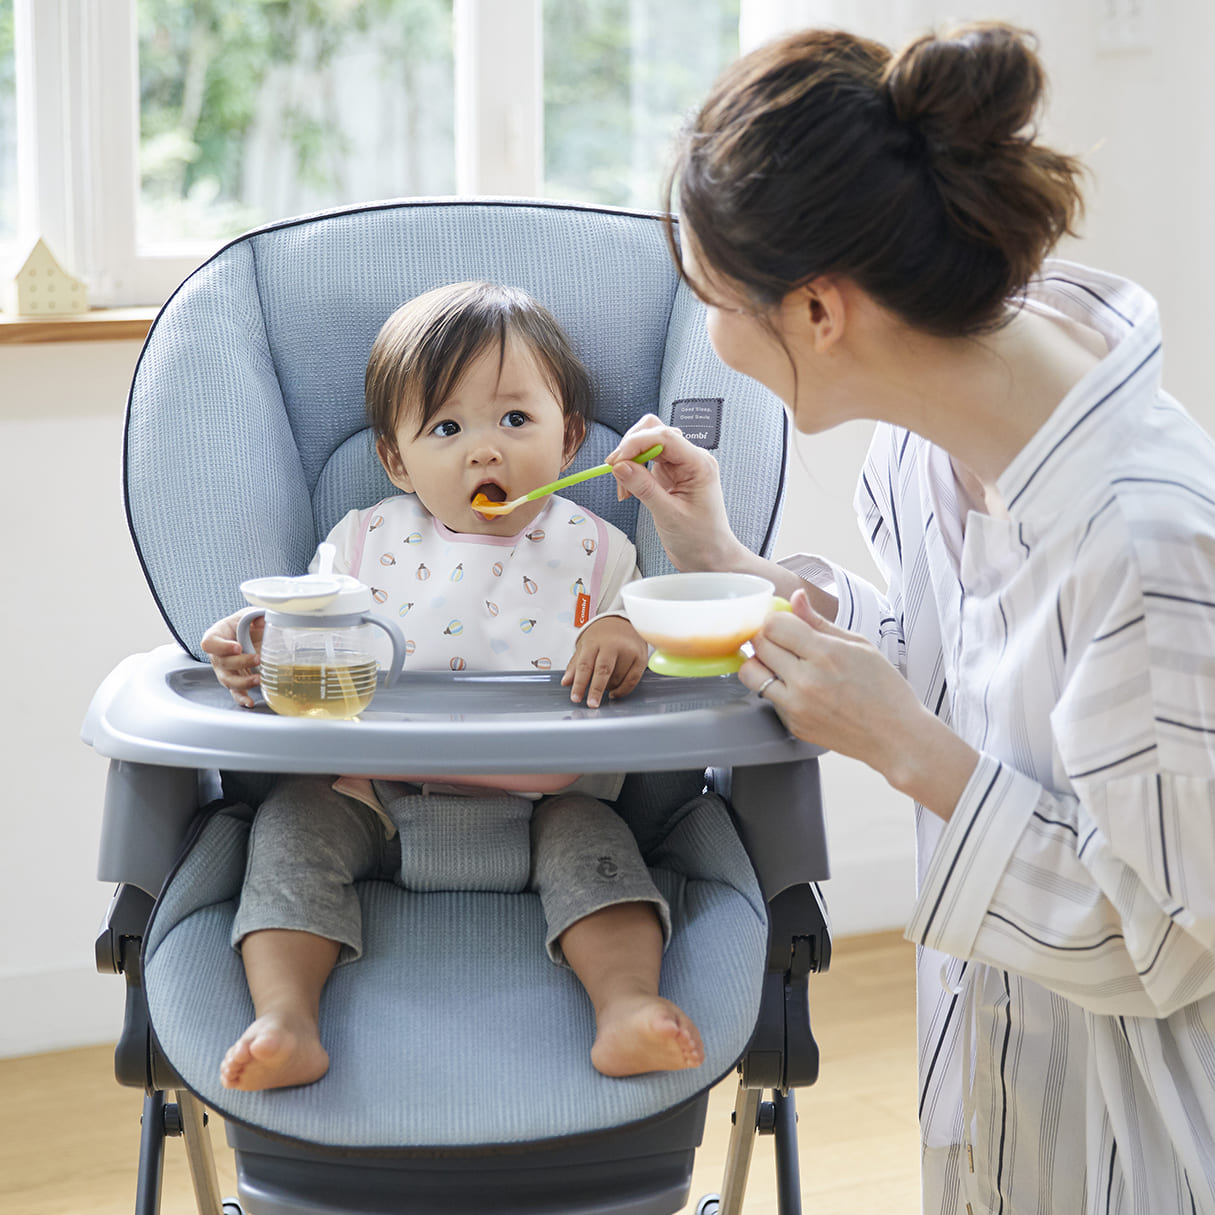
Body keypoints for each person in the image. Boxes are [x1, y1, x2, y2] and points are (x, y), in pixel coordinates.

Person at [606, 22, 1215, 1215]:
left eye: (717, 301)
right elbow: (958, 670)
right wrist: (727, 565)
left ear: (821, 311)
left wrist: (905, 749)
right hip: (989, 1073)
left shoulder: (1151, 547)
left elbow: (1163, 940)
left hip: (1142, 1141)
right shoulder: (928, 447)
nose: (715, 340)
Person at [201, 281, 704, 1092]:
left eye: (516, 419)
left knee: (603, 855)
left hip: (552, 800)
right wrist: (253, 644)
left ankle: (626, 1006)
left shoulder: (598, 547)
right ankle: (288, 1017)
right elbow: (306, 624)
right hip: (375, 795)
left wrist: (623, 634)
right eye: (446, 426)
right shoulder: (363, 540)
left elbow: (649, 631)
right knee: (292, 828)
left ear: (569, 437)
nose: (484, 450)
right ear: (395, 460)